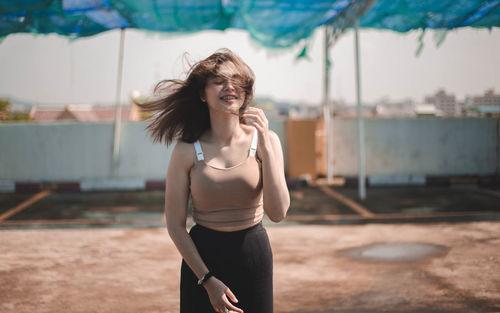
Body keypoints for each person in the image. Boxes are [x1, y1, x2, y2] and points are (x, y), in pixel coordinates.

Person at [136, 48, 290, 313]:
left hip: (253, 257)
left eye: (236, 81)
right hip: (203, 262)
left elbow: (278, 213)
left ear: (246, 91)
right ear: (202, 94)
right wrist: (207, 281)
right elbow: (174, 224)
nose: (229, 86)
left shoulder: (267, 140)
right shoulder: (186, 150)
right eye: (218, 81)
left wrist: (265, 145)